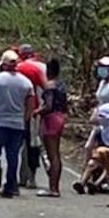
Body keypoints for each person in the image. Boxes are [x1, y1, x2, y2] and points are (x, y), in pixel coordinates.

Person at [0, 50, 34, 199]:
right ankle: (10, 187)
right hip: (17, 124)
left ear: (2, 64)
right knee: (13, 157)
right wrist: (24, 120)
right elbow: (30, 105)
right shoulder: (26, 82)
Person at [74, 57, 109, 194]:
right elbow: (99, 101)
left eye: (104, 67)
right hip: (101, 119)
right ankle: (84, 178)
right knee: (89, 147)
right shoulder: (101, 83)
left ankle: (100, 181)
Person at [15, 44, 47, 188]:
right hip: (36, 111)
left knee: (16, 145)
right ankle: (31, 177)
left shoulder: (19, 67)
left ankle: (18, 177)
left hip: (18, 111)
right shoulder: (41, 67)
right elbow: (47, 88)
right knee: (33, 144)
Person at [39, 57, 68, 197]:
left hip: (51, 119)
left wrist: (37, 111)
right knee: (55, 154)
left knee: (52, 155)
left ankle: (53, 188)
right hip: (60, 117)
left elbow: (48, 105)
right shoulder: (61, 85)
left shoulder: (49, 85)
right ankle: (54, 186)